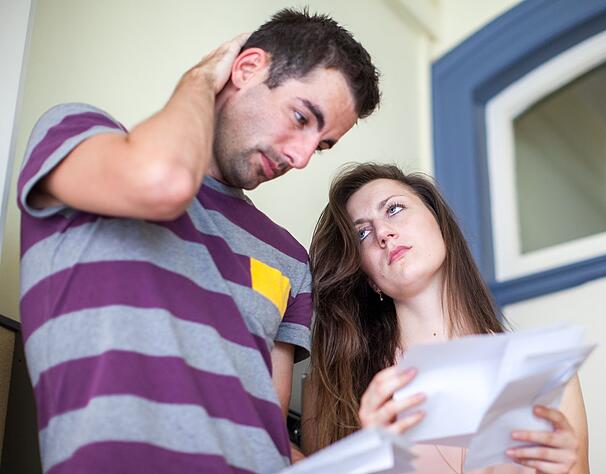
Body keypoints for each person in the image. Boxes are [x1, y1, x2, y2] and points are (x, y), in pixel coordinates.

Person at [17, 9, 379, 473]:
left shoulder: (289, 257)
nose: (302, 156)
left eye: (322, 145)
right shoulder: (76, 136)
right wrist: (204, 75)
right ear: (246, 69)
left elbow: (264, 432)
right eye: (300, 116)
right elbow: (161, 184)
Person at [303, 163, 590, 473]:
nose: (383, 233)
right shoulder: (335, 387)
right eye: (362, 233)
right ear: (368, 277)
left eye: (394, 209)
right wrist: (373, 456)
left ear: (439, 222)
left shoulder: (544, 372)